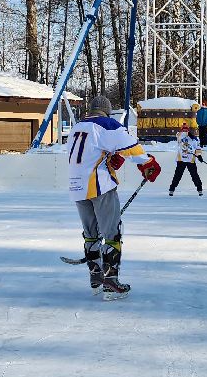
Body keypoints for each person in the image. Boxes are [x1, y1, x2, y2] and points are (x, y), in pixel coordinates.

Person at [67, 95, 161, 298]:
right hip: (99, 185)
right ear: (107, 111)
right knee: (112, 233)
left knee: (91, 233)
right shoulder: (107, 124)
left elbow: (89, 153)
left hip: (76, 186)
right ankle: (110, 282)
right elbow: (131, 147)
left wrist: (111, 157)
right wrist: (147, 163)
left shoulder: (77, 127)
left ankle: (96, 277)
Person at [169, 128, 203, 197]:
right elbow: (178, 134)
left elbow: (198, 148)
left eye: (186, 130)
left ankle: (199, 189)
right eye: (183, 130)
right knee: (177, 175)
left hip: (191, 160)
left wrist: (199, 156)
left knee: (194, 175)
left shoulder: (195, 139)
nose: (184, 131)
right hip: (181, 159)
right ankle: (172, 189)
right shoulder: (180, 136)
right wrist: (185, 132)